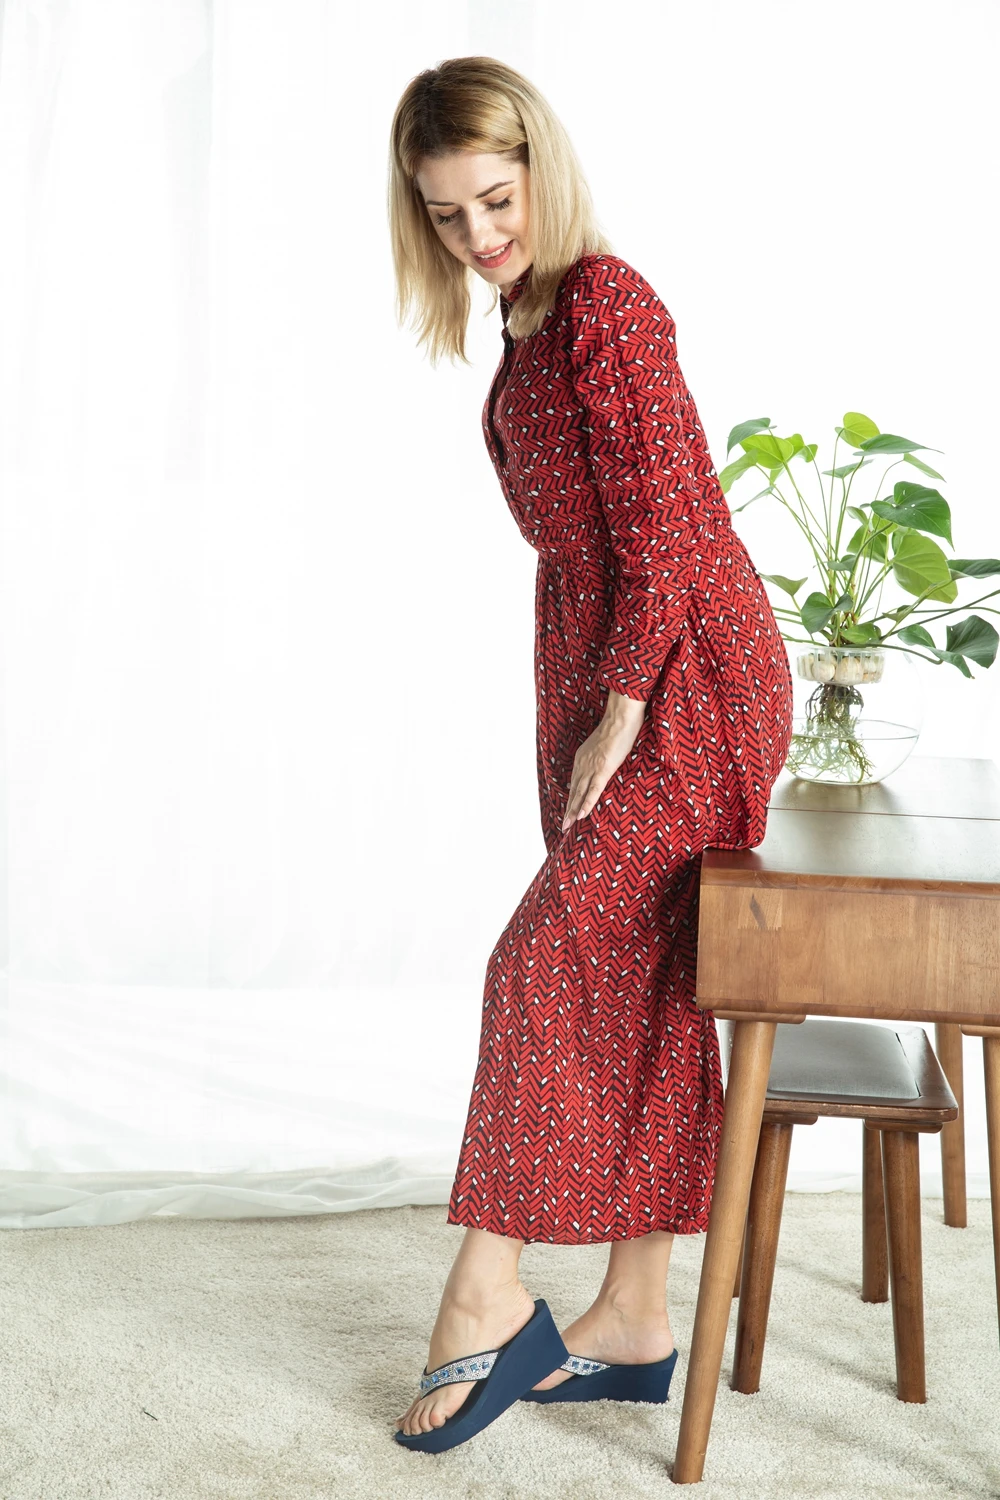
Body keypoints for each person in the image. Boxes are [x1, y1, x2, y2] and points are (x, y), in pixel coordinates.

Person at [388, 57, 793, 1450]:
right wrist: (585, 707)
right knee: (641, 975)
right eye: (446, 215)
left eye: (497, 201)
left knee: (543, 956)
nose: (479, 234)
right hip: (600, 662)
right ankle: (634, 1315)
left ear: (541, 170)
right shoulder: (525, 322)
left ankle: (487, 1296)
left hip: (689, 677)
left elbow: (669, 529)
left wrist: (621, 714)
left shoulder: (609, 302)